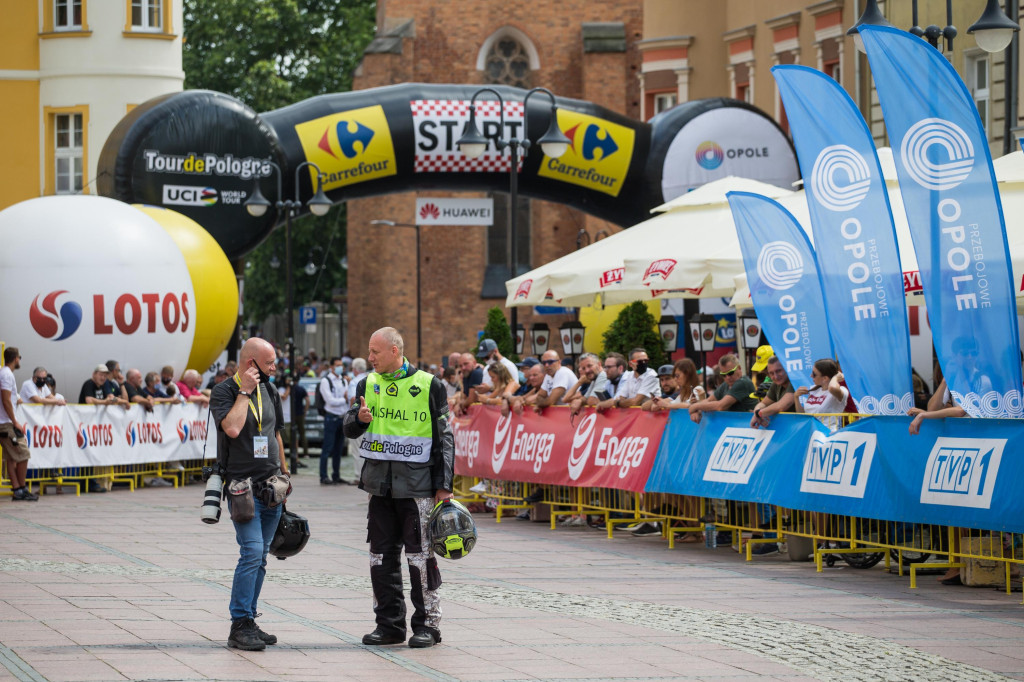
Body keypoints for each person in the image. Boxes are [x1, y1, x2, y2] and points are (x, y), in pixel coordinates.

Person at [342, 327, 454, 649]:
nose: (370, 357)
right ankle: (389, 625)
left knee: (420, 557)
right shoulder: (368, 383)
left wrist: (443, 486)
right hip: (379, 486)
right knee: (380, 557)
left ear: (395, 351)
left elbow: (444, 439)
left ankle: (428, 626)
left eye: (375, 351)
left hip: (417, 487)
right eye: (369, 350)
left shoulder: (430, 385)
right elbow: (349, 427)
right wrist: (360, 419)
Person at [210, 337, 289, 651]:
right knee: (252, 552)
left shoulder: (269, 390)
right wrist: (244, 391)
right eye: (269, 363)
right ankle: (239, 623)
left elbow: (275, 434)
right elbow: (231, 427)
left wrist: (285, 474)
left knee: (262, 557)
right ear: (250, 363)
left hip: (272, 487)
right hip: (242, 489)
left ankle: (249, 619)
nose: (274, 368)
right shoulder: (225, 391)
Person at [0, 348, 37, 501]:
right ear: (15, 358)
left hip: (4, 422)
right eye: (19, 357)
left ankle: (18, 489)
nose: (19, 360)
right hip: (6, 423)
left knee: (11, 457)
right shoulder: (7, 374)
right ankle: (20, 488)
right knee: (23, 454)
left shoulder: (4, 373)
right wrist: (14, 421)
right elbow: (6, 399)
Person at [688, 353, 757, 423]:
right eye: (723, 375)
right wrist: (697, 411)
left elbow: (720, 406)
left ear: (739, 368)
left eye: (730, 373)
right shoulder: (726, 385)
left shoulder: (742, 382)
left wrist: (695, 407)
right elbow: (708, 400)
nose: (727, 377)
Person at [794, 359, 849, 432]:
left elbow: (832, 388)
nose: (811, 376)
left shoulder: (842, 390)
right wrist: (796, 397)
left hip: (828, 435)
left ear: (825, 378)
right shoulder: (814, 389)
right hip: (811, 433)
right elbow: (803, 414)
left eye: (814, 374)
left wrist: (835, 378)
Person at [319, 357, 350, 485]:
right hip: (331, 418)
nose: (340, 368)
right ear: (331, 367)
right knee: (327, 448)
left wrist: (346, 400)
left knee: (339, 449)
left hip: (342, 418)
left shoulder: (343, 380)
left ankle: (336, 475)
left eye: (341, 365)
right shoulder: (326, 381)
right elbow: (330, 401)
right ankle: (324, 476)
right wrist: (344, 399)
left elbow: (349, 398)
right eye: (337, 365)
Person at [749, 355, 796, 428]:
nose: (775, 376)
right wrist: (757, 413)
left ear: (786, 368)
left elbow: (780, 406)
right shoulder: (776, 384)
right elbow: (763, 403)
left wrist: (758, 414)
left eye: (778, 371)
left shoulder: (794, 381)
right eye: (771, 373)